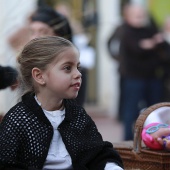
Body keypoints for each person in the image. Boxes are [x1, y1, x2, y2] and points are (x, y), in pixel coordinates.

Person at [0, 36, 124, 170]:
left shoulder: (76, 115)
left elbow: (97, 154)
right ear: (39, 76)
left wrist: (111, 167)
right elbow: (7, 163)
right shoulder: (17, 119)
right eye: (67, 68)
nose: (78, 74)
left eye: (78, 67)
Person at [9, 5, 86, 106]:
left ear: (58, 36)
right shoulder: (26, 66)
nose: (35, 38)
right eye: (32, 32)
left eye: (43, 32)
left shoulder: (74, 71)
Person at [108, 3, 165, 140]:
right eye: (136, 15)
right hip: (132, 77)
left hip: (152, 77)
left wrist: (150, 43)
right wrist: (150, 44)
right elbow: (137, 48)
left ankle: (154, 138)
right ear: (127, 16)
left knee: (154, 111)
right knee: (131, 111)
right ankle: (128, 141)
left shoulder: (149, 29)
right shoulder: (124, 30)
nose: (140, 17)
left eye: (142, 14)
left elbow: (160, 43)